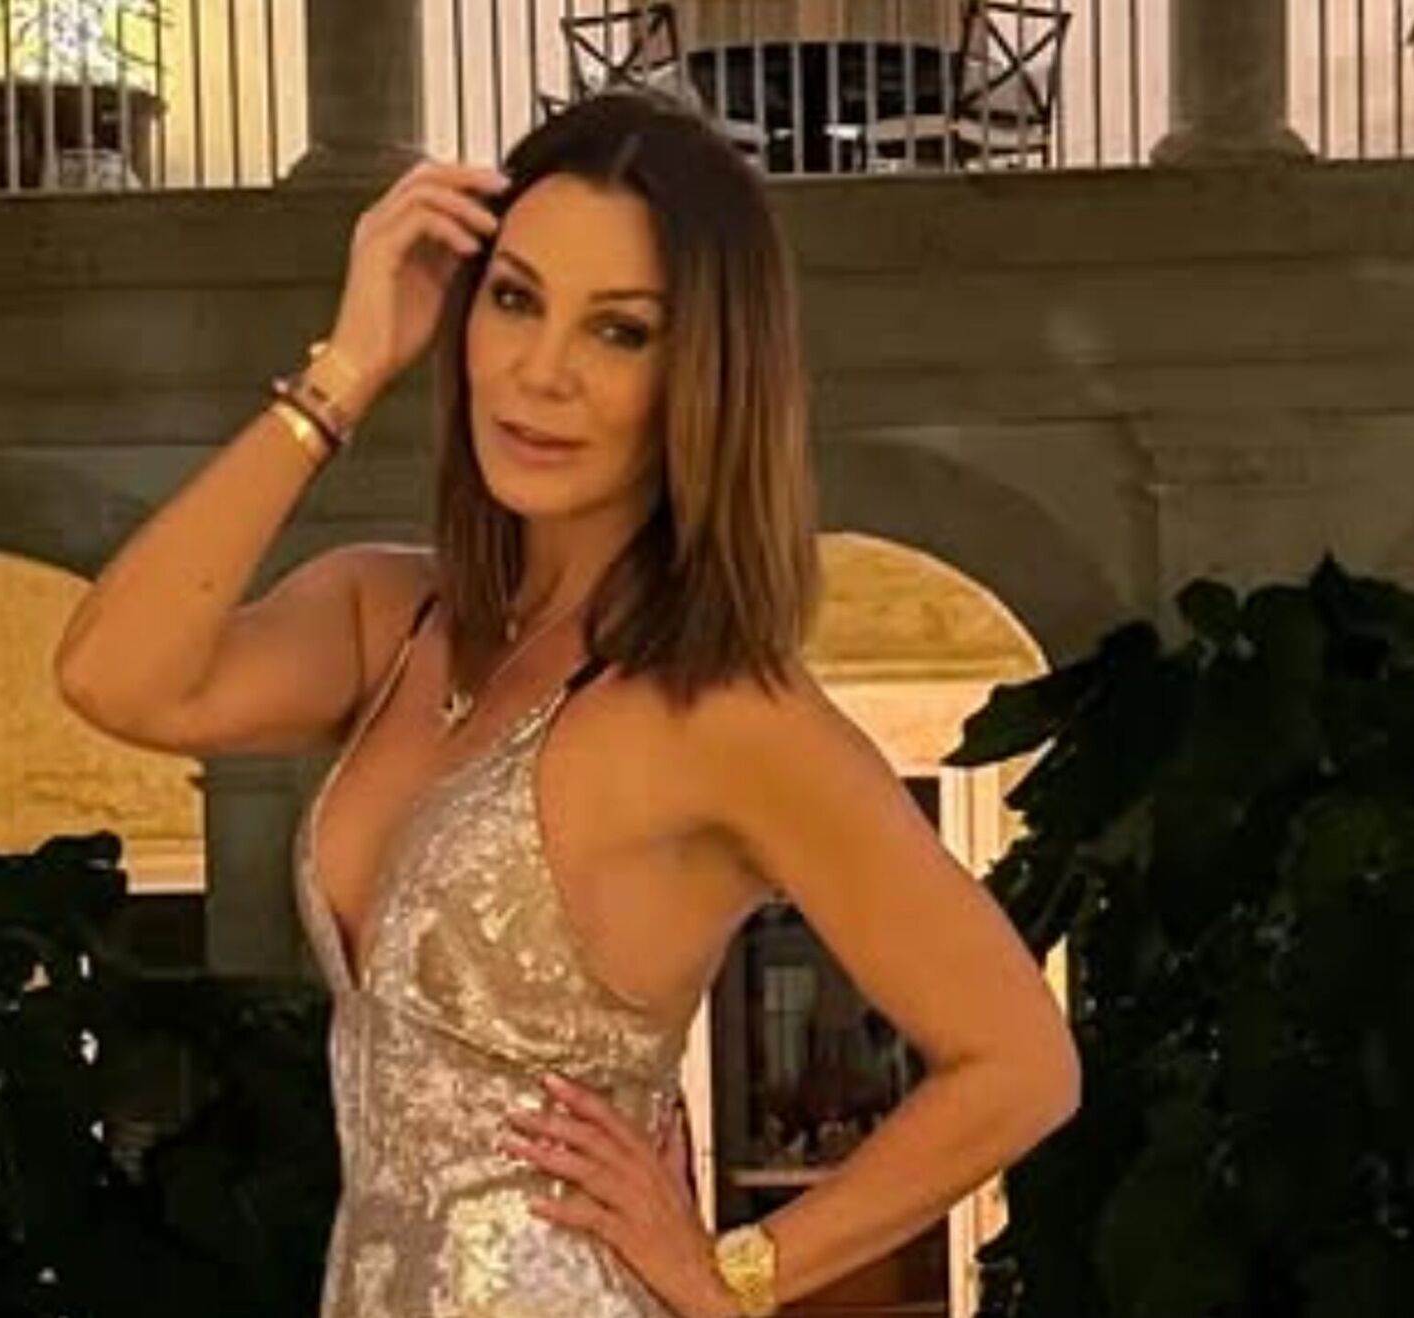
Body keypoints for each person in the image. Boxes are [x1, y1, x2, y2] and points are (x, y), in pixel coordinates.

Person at [52, 89, 1078, 1318]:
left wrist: (736, 1270)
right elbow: (116, 675)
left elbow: (1021, 1062)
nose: (541, 373)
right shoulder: (389, 618)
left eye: (619, 331)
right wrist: (345, 370)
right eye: (514, 299)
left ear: (702, 373)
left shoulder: (718, 711)